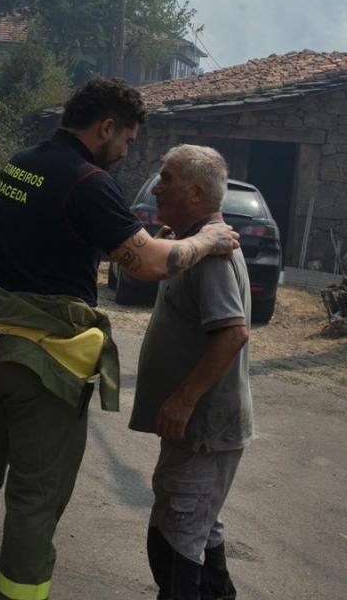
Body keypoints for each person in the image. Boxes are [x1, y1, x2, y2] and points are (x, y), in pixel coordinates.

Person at [0, 79, 241, 600]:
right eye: (129, 140)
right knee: (34, 497)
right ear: (106, 128)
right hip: (41, 364)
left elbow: (69, 238)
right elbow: (150, 264)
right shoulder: (88, 182)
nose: (128, 152)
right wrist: (208, 238)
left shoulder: (21, 162)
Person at [129, 145, 253, 600]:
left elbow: (232, 334)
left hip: (203, 428)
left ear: (197, 193)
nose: (157, 188)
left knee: (176, 546)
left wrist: (183, 400)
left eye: (167, 179)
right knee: (198, 531)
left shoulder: (213, 254)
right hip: (197, 431)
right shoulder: (195, 243)